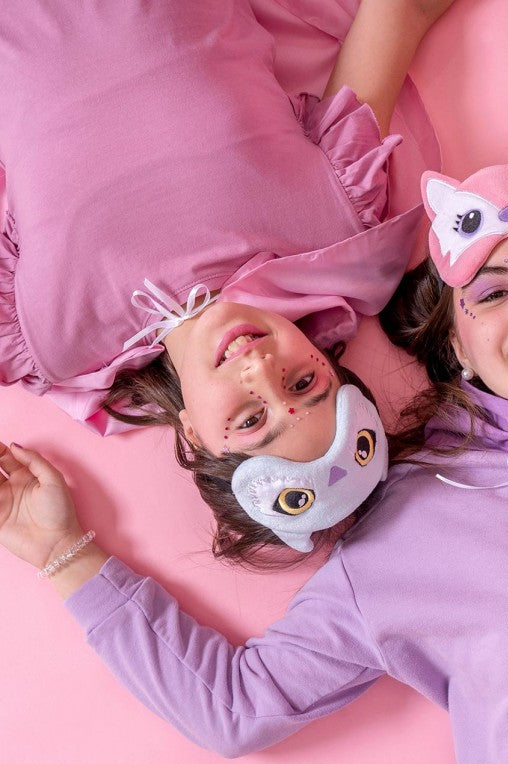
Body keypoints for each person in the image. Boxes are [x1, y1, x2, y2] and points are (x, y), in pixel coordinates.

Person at [1, 150, 508, 764]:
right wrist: (63, 553)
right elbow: (238, 708)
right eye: (490, 295)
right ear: (456, 343)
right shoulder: (410, 527)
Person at [0, 0, 450, 561]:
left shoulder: (53, 342)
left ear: (193, 433)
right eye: (304, 384)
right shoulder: (333, 220)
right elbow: (398, 12)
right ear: (325, 359)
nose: (261, 370)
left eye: (251, 418)